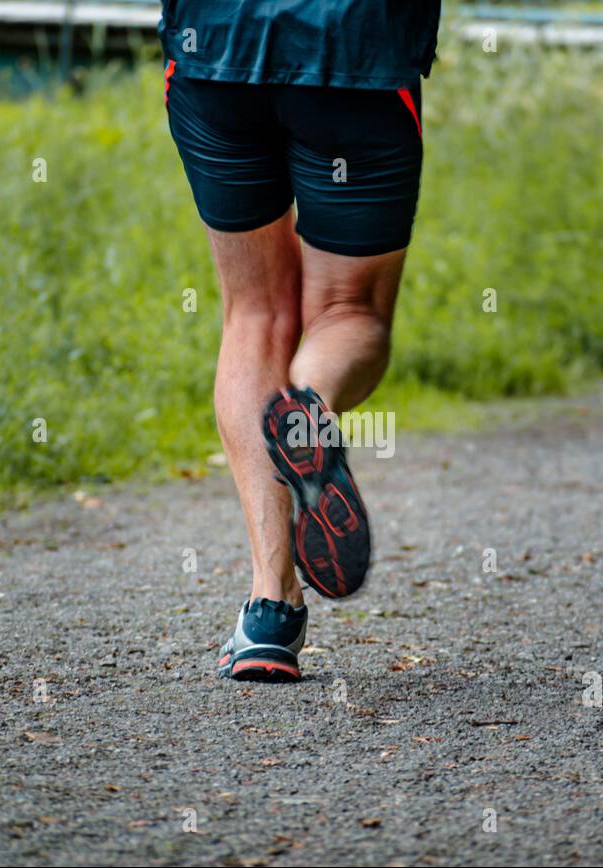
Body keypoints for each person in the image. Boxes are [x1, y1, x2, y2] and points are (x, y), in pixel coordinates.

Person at [159, 1, 442, 682]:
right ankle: (307, 404)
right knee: (350, 312)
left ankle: (270, 609)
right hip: (355, 52)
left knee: (254, 314)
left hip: (217, 53)